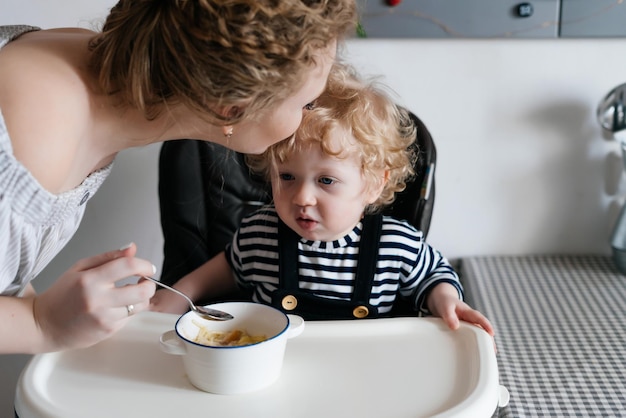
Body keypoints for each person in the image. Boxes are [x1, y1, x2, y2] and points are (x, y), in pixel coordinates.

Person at [0, 0, 357, 354]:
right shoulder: (33, 146)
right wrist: (40, 324)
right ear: (231, 106)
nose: (308, 114)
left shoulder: (81, 59)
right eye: (305, 104)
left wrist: (33, 305)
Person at [150, 65, 494, 335]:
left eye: (326, 180)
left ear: (374, 184)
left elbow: (434, 276)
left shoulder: (395, 244)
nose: (301, 196)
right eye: (287, 177)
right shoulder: (260, 234)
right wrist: (179, 294)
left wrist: (447, 300)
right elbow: (226, 267)